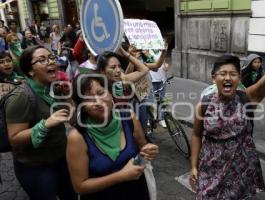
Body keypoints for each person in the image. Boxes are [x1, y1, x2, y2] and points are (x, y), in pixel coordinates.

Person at [190, 23, 265, 199]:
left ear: (238, 78)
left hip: (240, 170)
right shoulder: (203, 104)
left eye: (233, 74)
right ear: (214, 78)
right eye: (223, 73)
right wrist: (193, 165)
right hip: (210, 168)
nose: (228, 77)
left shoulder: (247, 98)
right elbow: (197, 134)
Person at [67, 74, 159, 199]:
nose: (98, 102)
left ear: (110, 93)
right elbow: (80, 187)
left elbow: (143, 149)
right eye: (88, 99)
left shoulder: (128, 117)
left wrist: (149, 151)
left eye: (101, 93)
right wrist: (121, 175)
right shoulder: (77, 137)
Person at [4, 46, 77, 200]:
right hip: (35, 168)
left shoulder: (52, 88)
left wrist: (67, 97)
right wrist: (45, 124)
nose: (50, 62)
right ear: (30, 71)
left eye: (51, 58)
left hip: (61, 158)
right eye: (42, 60)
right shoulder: (21, 97)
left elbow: (70, 117)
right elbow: (14, 138)